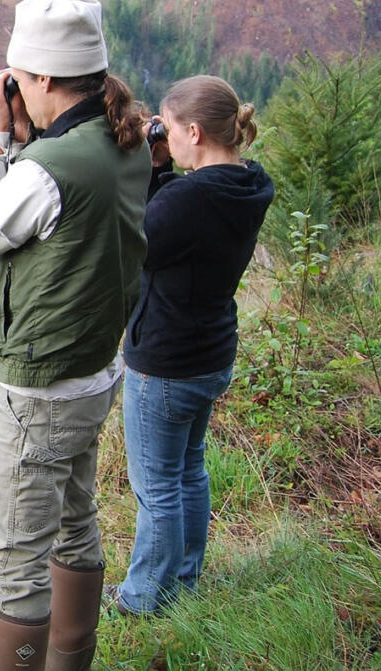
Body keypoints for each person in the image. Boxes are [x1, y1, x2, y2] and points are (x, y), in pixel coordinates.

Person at [0, 0, 150, 671]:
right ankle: (73, 661)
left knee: (16, 564)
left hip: (37, 391)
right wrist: (29, 136)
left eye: (18, 76)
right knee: (75, 524)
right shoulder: (123, 138)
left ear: (40, 79)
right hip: (95, 372)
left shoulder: (46, 168)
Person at [114, 75, 273, 615]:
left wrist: (149, 169)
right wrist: (163, 166)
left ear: (196, 132)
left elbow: (138, 244)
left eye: (172, 129)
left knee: (156, 487)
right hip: (210, 353)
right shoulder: (250, 184)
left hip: (165, 362)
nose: (169, 138)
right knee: (188, 471)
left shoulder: (188, 198)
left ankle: (144, 599)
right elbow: (172, 234)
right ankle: (184, 580)